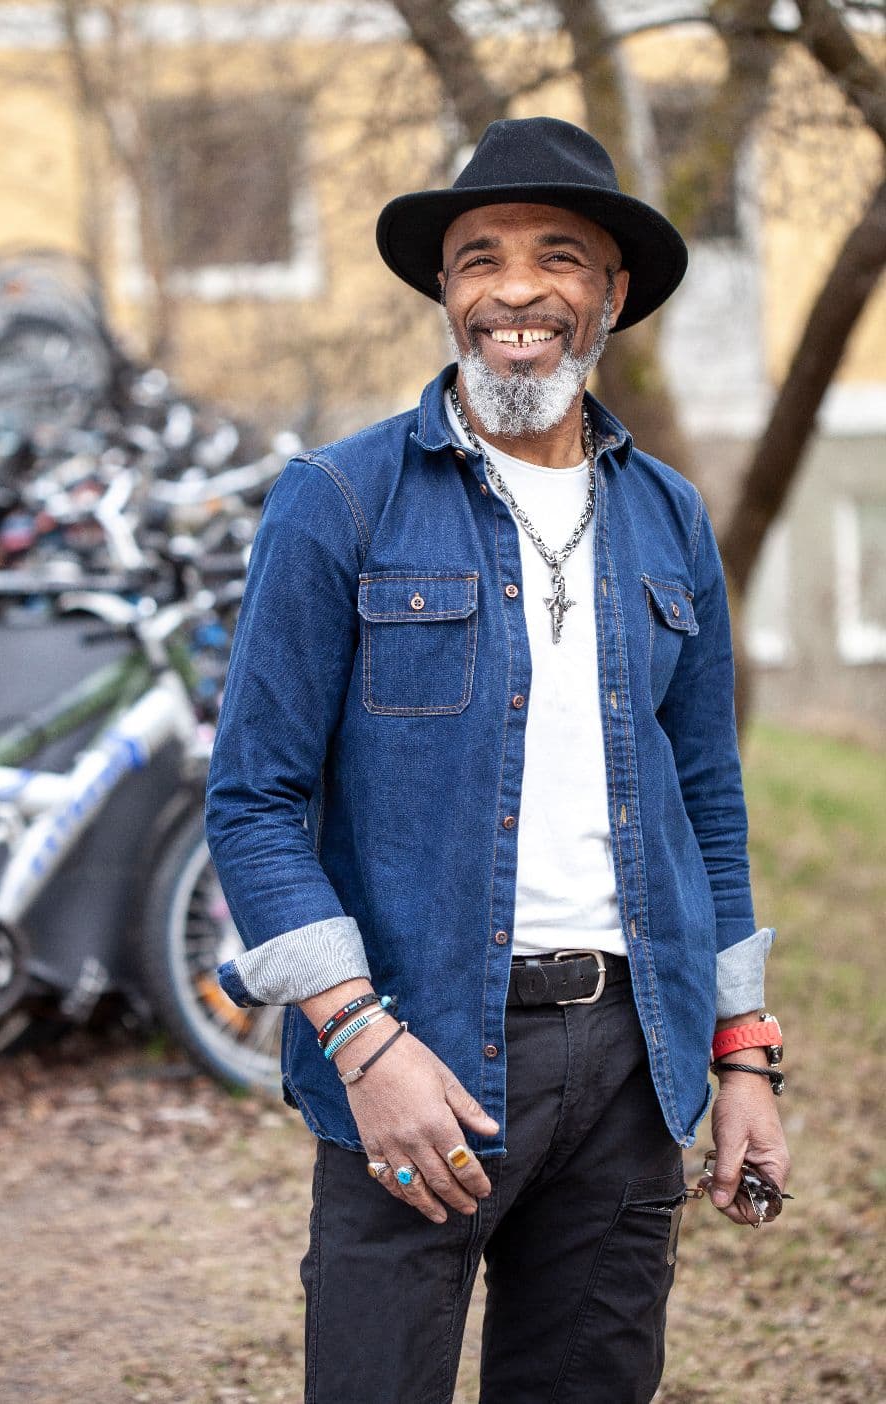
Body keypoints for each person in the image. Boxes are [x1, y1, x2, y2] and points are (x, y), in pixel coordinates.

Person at [205, 116, 791, 1404]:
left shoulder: (671, 516)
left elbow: (707, 804)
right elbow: (252, 801)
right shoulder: (341, 498)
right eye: (480, 259)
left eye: (558, 256)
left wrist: (741, 1053)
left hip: (633, 1064)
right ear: (444, 290)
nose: (516, 290)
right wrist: (364, 1043)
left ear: (612, 293)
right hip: (419, 1056)